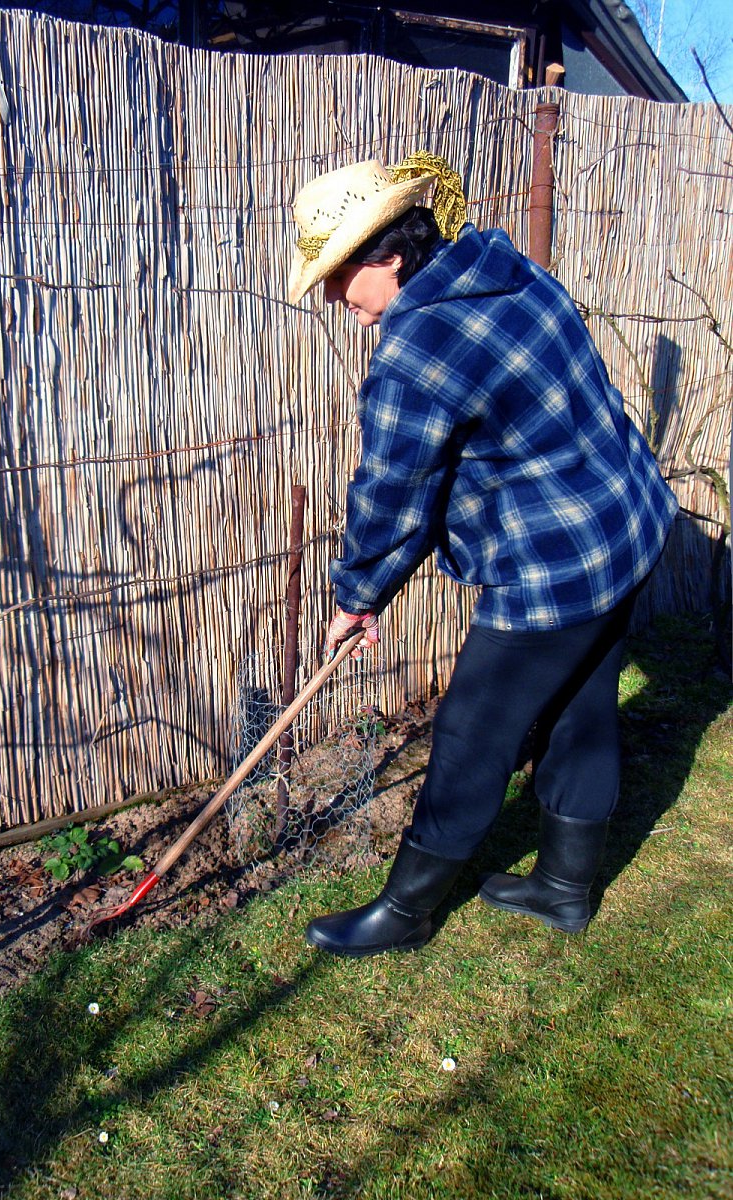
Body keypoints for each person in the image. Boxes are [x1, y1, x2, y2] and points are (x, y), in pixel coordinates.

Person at [287, 152, 678, 958]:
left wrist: (358, 595)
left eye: (337, 274)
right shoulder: (510, 273)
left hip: (555, 564)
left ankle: (404, 912)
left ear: (389, 255)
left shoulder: (417, 346)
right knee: (580, 704)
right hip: (625, 524)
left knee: (473, 732)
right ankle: (564, 888)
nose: (332, 295)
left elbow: (393, 493)